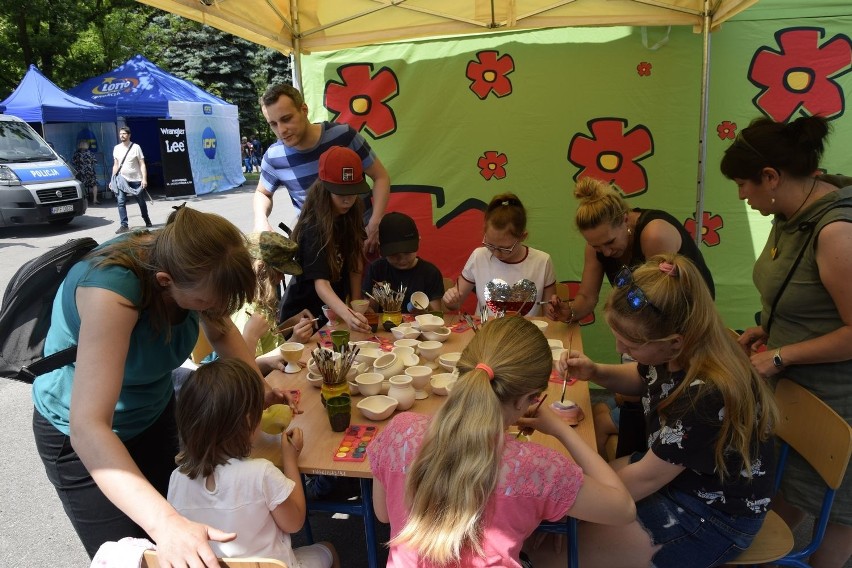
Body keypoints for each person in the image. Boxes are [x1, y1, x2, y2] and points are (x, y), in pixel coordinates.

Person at [31, 205, 295, 566]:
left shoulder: (194, 261)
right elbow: (88, 427)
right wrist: (167, 523)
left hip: (153, 417)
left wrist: (254, 392)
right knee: (138, 553)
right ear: (165, 282)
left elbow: (222, 333)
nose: (213, 311)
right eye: (204, 304)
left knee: (194, 535)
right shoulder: (111, 292)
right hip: (81, 437)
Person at [559, 253, 778, 567]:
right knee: (574, 496)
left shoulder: (708, 394)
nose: (621, 350)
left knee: (560, 550)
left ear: (675, 342)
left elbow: (642, 481)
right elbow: (643, 377)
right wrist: (595, 372)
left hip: (712, 515)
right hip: (674, 474)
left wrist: (552, 503)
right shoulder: (678, 351)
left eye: (630, 344)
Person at [368, 316, 640, 567]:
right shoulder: (538, 467)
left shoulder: (399, 432)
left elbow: (383, 514)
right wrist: (561, 430)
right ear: (528, 399)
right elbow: (624, 509)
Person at [720, 115, 852, 568]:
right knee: (784, 490)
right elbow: (799, 294)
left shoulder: (835, 231)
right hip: (795, 387)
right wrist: (767, 328)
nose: (742, 195)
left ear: (771, 177)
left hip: (839, 397)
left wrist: (781, 354)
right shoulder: (788, 213)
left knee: (836, 514)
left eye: (744, 184)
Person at [547, 176, 715, 458]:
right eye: (597, 247)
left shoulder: (654, 234)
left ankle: (615, 420)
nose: (606, 252)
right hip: (652, 338)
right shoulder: (599, 244)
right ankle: (616, 418)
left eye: (610, 243)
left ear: (625, 219)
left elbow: (661, 304)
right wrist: (570, 311)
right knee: (640, 388)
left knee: (645, 397)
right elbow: (587, 299)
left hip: (681, 332)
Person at [168, 358, 339, 568]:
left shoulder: (176, 478)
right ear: (249, 421)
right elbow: (295, 522)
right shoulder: (261, 473)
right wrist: (290, 459)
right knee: (328, 549)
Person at [253, 83, 391, 253]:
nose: (281, 130)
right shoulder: (274, 157)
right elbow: (262, 193)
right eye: (273, 124)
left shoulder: (344, 136)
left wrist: (376, 221)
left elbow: (380, 177)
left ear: (304, 109)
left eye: (286, 119)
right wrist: (261, 221)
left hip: (363, 240)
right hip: (318, 249)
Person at [278, 146, 370, 333]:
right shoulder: (312, 227)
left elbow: (354, 265)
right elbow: (322, 284)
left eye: (352, 193)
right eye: (340, 193)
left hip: (333, 313)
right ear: (324, 189)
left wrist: (355, 305)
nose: (347, 200)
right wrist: (349, 315)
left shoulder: (350, 216)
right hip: (304, 317)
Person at [442, 192, 556, 317]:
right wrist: (451, 298)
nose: (496, 253)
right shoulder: (479, 256)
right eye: (490, 245)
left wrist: (555, 310)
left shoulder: (542, 262)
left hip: (524, 334)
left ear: (523, 236)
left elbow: (549, 317)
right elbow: (454, 305)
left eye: (505, 248)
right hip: (485, 332)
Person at [235, 231, 316, 355]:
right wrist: (293, 341)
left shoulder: (258, 300)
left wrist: (293, 320)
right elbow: (252, 365)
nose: (283, 278)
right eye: (279, 272)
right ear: (262, 270)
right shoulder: (246, 312)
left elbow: (269, 339)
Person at [362, 212, 444, 313]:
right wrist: (376, 295)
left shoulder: (430, 273)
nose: (402, 260)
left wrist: (424, 308)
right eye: (394, 255)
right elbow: (369, 312)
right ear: (380, 248)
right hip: (384, 327)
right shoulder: (377, 269)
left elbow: (436, 315)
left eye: (407, 253)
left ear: (418, 241)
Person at [110, 126, 151, 234]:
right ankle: (124, 225)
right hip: (121, 179)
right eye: (120, 134)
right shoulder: (116, 148)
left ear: (129, 135)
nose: (122, 136)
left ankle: (146, 218)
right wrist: (112, 180)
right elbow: (115, 165)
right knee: (120, 202)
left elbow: (142, 164)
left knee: (141, 202)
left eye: (124, 133)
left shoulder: (136, 147)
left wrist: (144, 179)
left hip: (136, 179)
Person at [73, 139, 99, 205]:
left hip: (81, 172)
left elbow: (74, 162)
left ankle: (84, 200)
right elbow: (95, 161)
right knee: (94, 185)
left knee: (82, 186)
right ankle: (95, 200)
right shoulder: (89, 153)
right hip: (89, 172)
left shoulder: (76, 153)